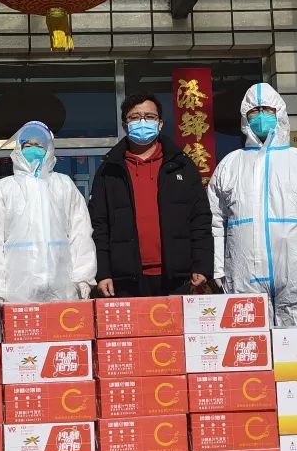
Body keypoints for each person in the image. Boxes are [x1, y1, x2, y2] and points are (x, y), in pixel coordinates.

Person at [208, 83, 297, 326]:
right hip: (243, 270)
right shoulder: (230, 165)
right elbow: (216, 222)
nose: (261, 116)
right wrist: (218, 267)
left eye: (268, 109)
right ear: (245, 117)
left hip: (296, 269)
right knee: (250, 334)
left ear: (280, 112)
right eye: (254, 111)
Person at [88, 93, 212, 298]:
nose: (142, 122)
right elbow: (99, 226)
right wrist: (103, 273)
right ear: (125, 125)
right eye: (135, 117)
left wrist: (202, 264)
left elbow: (200, 219)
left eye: (150, 117)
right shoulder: (109, 170)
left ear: (160, 124)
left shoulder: (182, 165)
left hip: (177, 276)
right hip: (124, 279)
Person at [0, 121, 96, 303]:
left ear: (49, 149)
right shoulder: (3, 188)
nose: (33, 149)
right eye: (27, 145)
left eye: (39, 145)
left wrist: (82, 277)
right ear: (18, 149)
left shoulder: (64, 185)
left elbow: (80, 233)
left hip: (62, 286)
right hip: (17, 288)